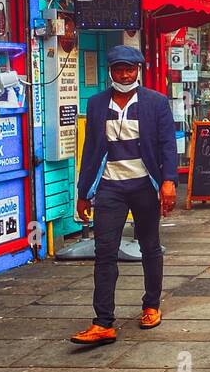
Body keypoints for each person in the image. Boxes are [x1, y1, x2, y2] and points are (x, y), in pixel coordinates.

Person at [71, 45, 178, 347]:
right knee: (105, 251)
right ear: (111, 72)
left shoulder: (155, 103)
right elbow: (90, 149)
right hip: (109, 188)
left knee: (150, 247)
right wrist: (83, 193)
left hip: (145, 185)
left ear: (138, 70)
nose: (125, 74)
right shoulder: (96, 104)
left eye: (130, 69)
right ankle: (103, 322)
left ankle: (151, 305)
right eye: (119, 69)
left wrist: (169, 182)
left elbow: (168, 144)